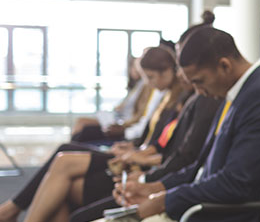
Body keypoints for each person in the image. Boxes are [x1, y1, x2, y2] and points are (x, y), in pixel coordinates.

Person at [113, 27, 260, 222]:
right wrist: (155, 188)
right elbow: (201, 167)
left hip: (218, 214)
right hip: (201, 208)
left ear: (224, 66)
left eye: (199, 82)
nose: (199, 92)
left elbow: (236, 184)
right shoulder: (241, 93)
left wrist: (164, 201)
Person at [0, 46, 186, 222]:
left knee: (65, 164)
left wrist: (137, 153)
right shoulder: (167, 98)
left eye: (151, 77)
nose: (149, 83)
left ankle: (11, 210)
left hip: (141, 166)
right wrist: (133, 147)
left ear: (168, 71)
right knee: (64, 161)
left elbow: (170, 152)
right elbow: (154, 139)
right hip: (137, 154)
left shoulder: (179, 102)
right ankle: (12, 210)